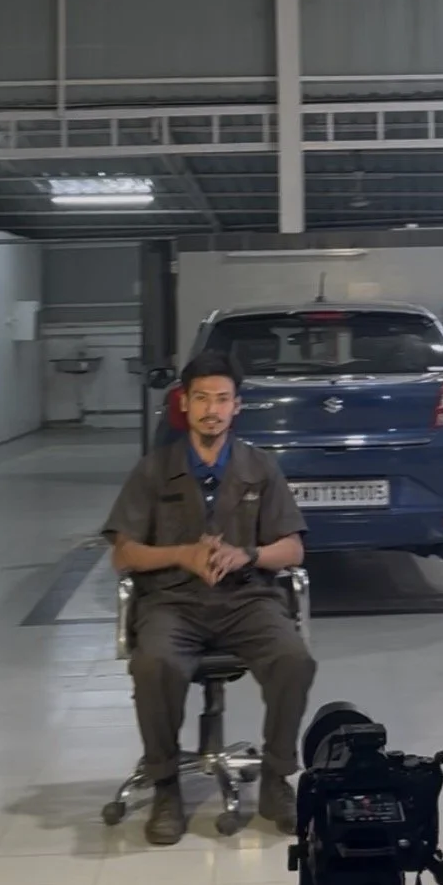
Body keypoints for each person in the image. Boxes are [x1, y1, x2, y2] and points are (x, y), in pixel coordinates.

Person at [103, 350, 315, 846]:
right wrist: (181, 555)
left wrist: (248, 554)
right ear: (185, 403)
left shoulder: (259, 467)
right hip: (173, 603)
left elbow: (293, 547)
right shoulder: (155, 470)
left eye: (222, 399)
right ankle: (166, 787)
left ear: (237, 406)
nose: (212, 410)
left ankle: (277, 779)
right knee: (153, 665)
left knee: (294, 660)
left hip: (247, 601)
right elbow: (123, 553)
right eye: (202, 399)